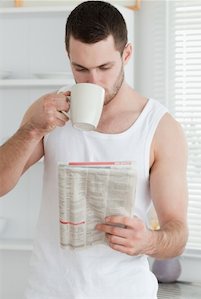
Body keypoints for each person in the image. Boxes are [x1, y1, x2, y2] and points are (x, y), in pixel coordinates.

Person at [0, 1, 188, 298]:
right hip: (47, 291)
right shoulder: (48, 112)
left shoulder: (159, 128)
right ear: (68, 57)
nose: (94, 81)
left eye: (105, 67)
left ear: (126, 54)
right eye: (80, 69)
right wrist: (31, 130)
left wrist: (148, 241)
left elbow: (177, 234)